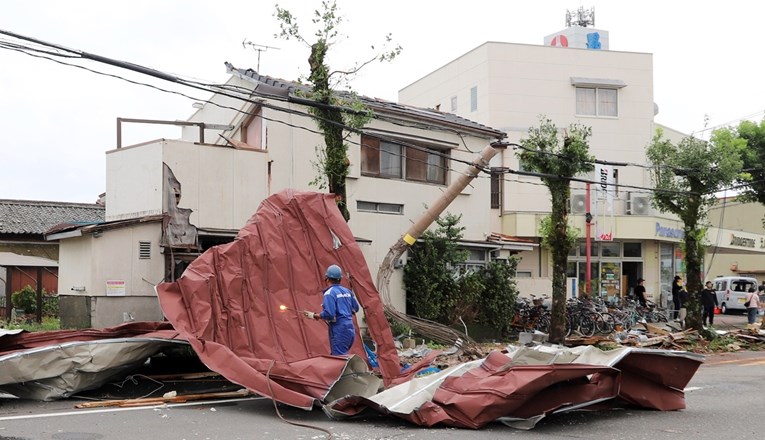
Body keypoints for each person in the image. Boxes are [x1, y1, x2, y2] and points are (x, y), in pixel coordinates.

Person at [304, 264, 360, 355]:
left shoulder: (329, 293)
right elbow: (355, 308)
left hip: (339, 330)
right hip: (350, 329)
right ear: (340, 279)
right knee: (343, 356)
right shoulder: (347, 291)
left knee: (339, 359)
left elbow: (330, 314)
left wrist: (315, 315)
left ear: (327, 279)